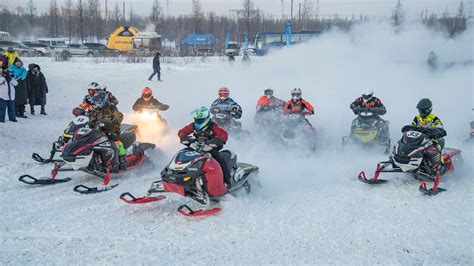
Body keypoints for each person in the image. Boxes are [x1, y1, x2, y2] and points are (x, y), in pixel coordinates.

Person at [177, 106, 231, 188]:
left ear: (206, 119)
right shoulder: (193, 125)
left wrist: (218, 140)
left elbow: (223, 134)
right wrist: (186, 138)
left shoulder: (212, 126)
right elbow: (181, 132)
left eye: (200, 120)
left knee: (220, 160)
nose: (197, 122)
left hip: (209, 148)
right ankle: (177, 175)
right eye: (196, 119)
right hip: (196, 146)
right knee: (182, 154)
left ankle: (227, 181)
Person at [89, 91, 126, 170]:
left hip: (111, 130)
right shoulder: (97, 110)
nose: (97, 105)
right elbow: (92, 118)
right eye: (96, 103)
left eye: (99, 102)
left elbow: (119, 115)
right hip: (98, 130)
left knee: (116, 143)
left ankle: (120, 160)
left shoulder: (111, 107)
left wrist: (113, 120)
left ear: (104, 100)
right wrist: (90, 122)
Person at [411, 98, 445, 170]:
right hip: (419, 138)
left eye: (422, 110)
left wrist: (436, 132)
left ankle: (440, 162)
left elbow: (440, 126)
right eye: (419, 110)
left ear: (428, 110)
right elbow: (412, 126)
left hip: (431, 138)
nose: (421, 112)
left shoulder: (434, 118)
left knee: (439, 143)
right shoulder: (417, 118)